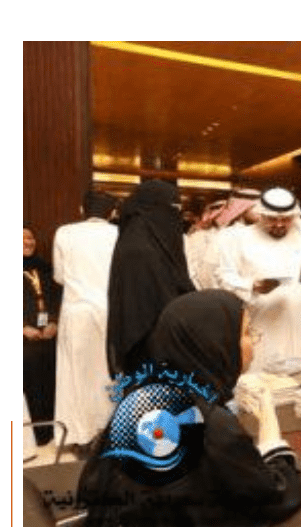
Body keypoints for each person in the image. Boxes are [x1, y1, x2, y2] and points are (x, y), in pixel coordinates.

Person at [78, 290, 301, 527]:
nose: (254, 342)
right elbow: (274, 495)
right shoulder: (209, 423)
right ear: (214, 342)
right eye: (247, 333)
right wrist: (271, 431)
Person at [216, 187, 301, 371]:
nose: (279, 224)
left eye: (286, 219)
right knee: (266, 383)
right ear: (261, 214)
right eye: (272, 219)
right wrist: (252, 285)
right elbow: (224, 277)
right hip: (264, 325)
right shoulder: (239, 239)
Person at [107, 180, 197, 377]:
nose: (176, 216)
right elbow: (157, 302)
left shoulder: (143, 238)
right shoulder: (141, 249)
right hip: (149, 346)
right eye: (172, 209)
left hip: (153, 344)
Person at [52, 192, 119, 448]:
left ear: (82, 209)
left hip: (77, 309)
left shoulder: (65, 232)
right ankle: (109, 432)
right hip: (109, 309)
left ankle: (79, 435)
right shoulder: (118, 233)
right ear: (112, 213)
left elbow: (59, 276)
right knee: (108, 373)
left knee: (75, 375)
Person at [24, 224, 62, 446]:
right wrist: (21, 328)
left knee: (52, 384)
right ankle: (35, 436)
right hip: (23, 343)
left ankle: (54, 432)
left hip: (49, 338)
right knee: (32, 387)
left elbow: (59, 297)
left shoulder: (46, 268)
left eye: (30, 238)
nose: (28, 242)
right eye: (21, 238)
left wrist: (55, 321)